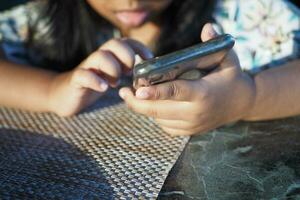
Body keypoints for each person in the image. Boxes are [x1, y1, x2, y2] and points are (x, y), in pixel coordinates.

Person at [0, 0, 299, 136]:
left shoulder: (248, 12)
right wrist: (52, 89)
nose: (130, 1)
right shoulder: (45, 21)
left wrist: (248, 97)